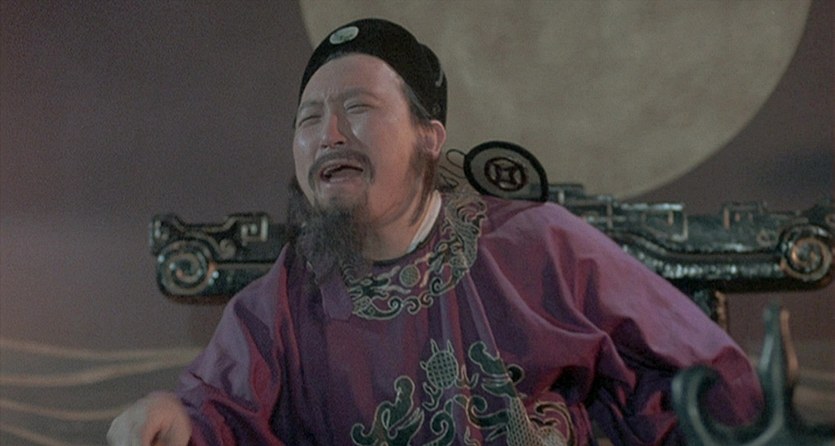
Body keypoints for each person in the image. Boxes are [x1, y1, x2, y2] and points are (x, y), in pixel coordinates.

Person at [108, 18, 762, 445]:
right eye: (308, 119)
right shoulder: (283, 300)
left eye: (357, 108)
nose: (328, 134)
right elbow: (214, 414)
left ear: (429, 137)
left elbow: (715, 383)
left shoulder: (540, 246)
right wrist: (171, 419)